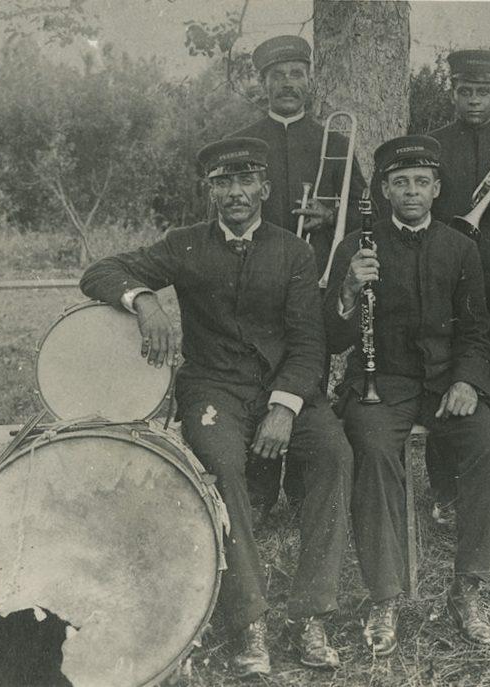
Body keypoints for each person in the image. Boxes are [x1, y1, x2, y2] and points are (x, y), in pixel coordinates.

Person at [80, 138, 353, 676]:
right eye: (223, 183)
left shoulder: (295, 252)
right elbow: (99, 272)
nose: (235, 193)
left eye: (246, 181)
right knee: (222, 466)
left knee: (334, 455)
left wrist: (285, 407)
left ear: (265, 189)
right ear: (210, 192)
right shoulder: (184, 244)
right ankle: (249, 621)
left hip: (286, 389)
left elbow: (308, 343)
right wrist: (145, 299)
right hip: (214, 390)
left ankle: (310, 615)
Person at [324, 135, 490, 655]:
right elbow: (333, 338)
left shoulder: (460, 246)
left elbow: (476, 330)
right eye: (401, 182)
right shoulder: (356, 245)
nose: (411, 191)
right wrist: (347, 290)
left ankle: (467, 588)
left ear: (437, 189)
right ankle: (384, 595)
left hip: (447, 384)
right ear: (384, 189)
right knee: (374, 451)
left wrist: (467, 381)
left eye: (421, 182)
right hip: (380, 382)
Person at [374, 49, 490, 525]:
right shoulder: (432, 144)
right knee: (442, 373)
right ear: (452, 92)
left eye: (483, 92)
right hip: (442, 279)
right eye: (465, 91)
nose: (474, 100)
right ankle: (445, 488)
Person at [229, 34, 367, 517]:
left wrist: (330, 217)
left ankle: (304, 486)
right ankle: (260, 488)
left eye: (296, 74)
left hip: (317, 281)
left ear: (310, 81)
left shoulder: (335, 142)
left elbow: (363, 209)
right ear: (263, 83)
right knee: (259, 375)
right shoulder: (244, 142)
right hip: (256, 278)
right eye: (277, 76)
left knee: (311, 375)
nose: (288, 83)